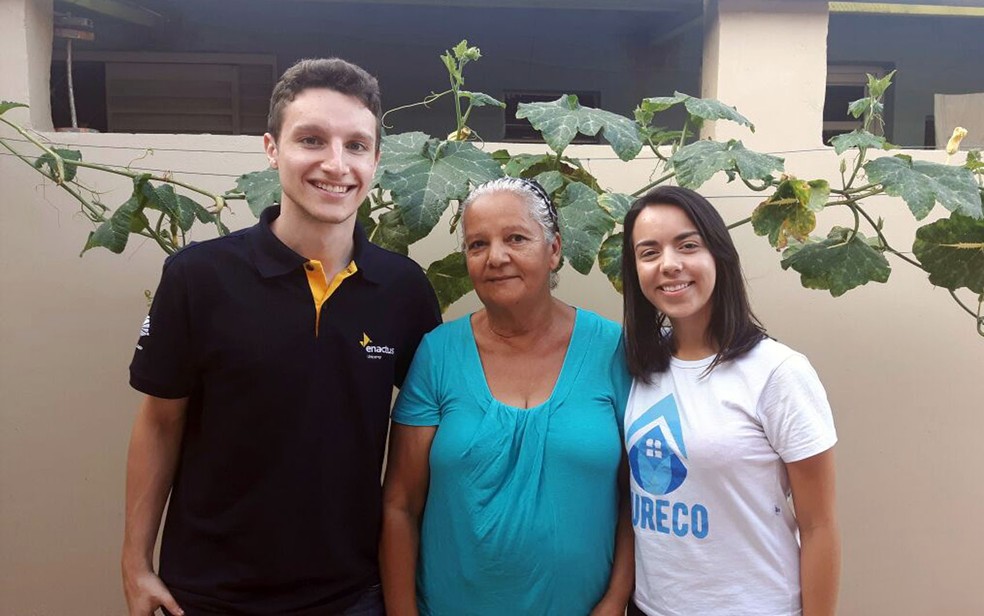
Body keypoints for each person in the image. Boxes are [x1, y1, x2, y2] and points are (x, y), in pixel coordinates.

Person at [121, 58, 441, 616]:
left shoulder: (403, 290)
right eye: (311, 140)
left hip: (352, 594)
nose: (335, 165)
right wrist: (135, 563)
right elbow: (159, 422)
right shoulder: (199, 277)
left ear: (377, 159)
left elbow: (426, 441)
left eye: (357, 145)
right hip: (207, 594)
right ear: (272, 148)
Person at [379, 177, 634, 616]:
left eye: (516, 238)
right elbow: (400, 504)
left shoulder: (612, 351)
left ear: (554, 250)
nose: (496, 257)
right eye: (478, 245)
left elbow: (638, 497)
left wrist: (615, 601)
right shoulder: (439, 354)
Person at [619, 186, 840, 616]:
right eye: (649, 252)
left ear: (718, 254)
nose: (669, 264)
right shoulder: (639, 365)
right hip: (649, 608)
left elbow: (819, 526)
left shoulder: (778, 373)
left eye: (687, 245)